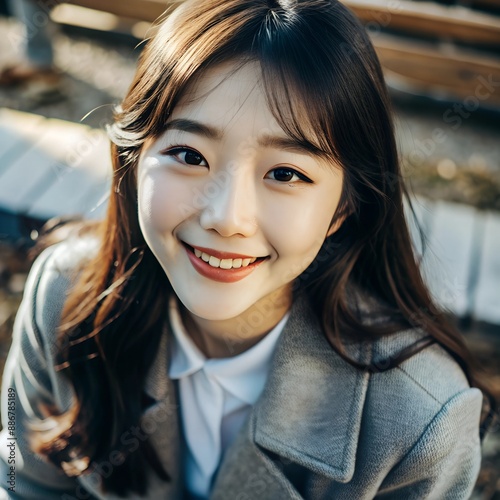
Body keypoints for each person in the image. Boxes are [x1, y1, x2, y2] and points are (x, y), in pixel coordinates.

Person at [0, 0, 493, 498]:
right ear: (133, 161)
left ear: (342, 209)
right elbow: (20, 478)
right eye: (189, 155)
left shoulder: (420, 424)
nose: (227, 218)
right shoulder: (65, 296)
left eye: (285, 174)